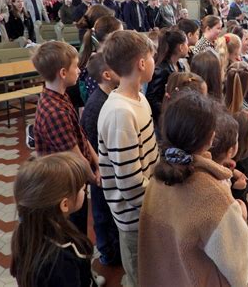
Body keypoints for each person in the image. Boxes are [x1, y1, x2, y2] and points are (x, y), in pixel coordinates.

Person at [138, 90, 248, 287]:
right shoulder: (214, 196)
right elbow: (236, 270)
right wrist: (239, 214)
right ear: (210, 138)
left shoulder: (157, 179)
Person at [98, 30, 159, 287]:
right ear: (141, 63)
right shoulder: (120, 113)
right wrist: (161, 204)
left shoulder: (139, 99)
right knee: (139, 276)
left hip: (149, 209)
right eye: (151, 56)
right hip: (136, 217)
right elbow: (130, 184)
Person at [31, 41, 100, 235]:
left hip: (76, 177)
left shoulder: (60, 95)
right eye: (76, 66)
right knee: (73, 232)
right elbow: (76, 156)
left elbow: (80, 134)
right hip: (64, 185)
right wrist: (94, 178)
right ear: (62, 73)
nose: (79, 70)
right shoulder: (54, 111)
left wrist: (97, 161)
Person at [10, 153, 100, 287]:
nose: (84, 189)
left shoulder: (30, 230)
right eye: (82, 188)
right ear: (64, 204)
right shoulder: (60, 261)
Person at [80, 53, 121, 267]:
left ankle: (112, 248)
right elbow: (93, 142)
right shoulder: (97, 104)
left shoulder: (108, 96)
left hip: (108, 167)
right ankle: (107, 252)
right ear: (106, 75)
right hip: (101, 170)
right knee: (102, 212)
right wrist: (100, 167)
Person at [146, 29, 187, 124]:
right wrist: (166, 110)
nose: (187, 47)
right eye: (186, 44)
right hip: (164, 118)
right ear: (181, 47)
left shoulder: (181, 66)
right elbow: (152, 98)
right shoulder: (162, 70)